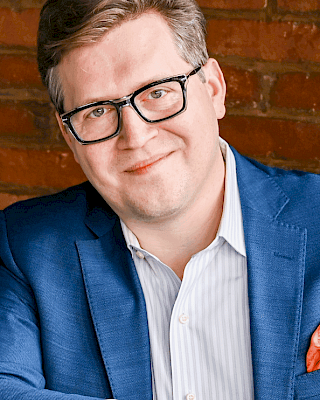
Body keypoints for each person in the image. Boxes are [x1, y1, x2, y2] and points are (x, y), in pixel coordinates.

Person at [1, 0, 320, 399]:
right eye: (97, 110)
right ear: (69, 135)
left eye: (157, 91)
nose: (135, 136)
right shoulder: (23, 248)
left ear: (214, 89)